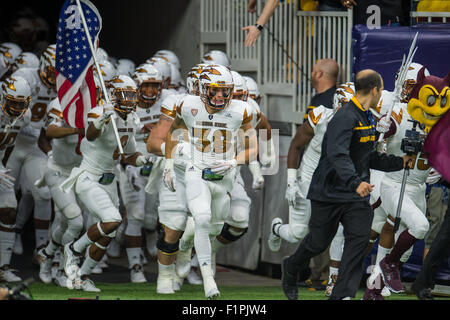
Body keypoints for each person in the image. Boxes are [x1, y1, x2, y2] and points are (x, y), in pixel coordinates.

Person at [281, 69, 414, 300]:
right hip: (329, 192)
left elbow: (368, 157)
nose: (382, 93)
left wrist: (399, 162)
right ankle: (291, 267)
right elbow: (337, 154)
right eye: (381, 89)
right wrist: (355, 183)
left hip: (355, 196)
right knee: (317, 243)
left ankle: (341, 296)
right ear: (375, 90)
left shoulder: (368, 117)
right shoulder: (344, 117)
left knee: (358, 242)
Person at [163, 64, 258, 299]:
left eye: (225, 91)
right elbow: (173, 132)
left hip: (225, 176)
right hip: (197, 169)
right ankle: (209, 282)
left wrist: (235, 162)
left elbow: (253, 148)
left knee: (213, 228)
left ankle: (184, 247)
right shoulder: (188, 105)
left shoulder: (241, 110)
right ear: (202, 89)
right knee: (202, 219)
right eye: (214, 91)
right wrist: (168, 166)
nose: (220, 96)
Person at [61, 75, 153, 292]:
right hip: (89, 177)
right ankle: (73, 249)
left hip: (109, 180)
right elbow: (91, 135)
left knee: (108, 234)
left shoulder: (130, 119)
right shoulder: (98, 111)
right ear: (113, 94)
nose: (130, 99)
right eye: (125, 94)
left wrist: (141, 160)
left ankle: (81, 276)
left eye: (132, 94)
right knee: (112, 220)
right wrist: (101, 120)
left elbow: (128, 153)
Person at [0, 75, 32, 282]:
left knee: (9, 209)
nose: (15, 108)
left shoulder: (24, 117)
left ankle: (3, 267)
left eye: (20, 104)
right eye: (12, 102)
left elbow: (9, 145)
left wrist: (3, 166)